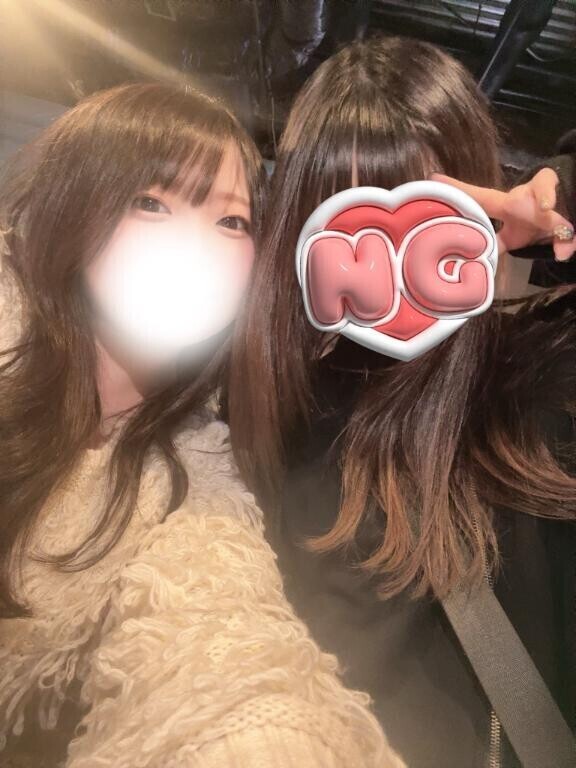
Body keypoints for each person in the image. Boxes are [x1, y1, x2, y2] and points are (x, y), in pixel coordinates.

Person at [0, 82, 403, 768]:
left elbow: (221, 651)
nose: (194, 243)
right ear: (74, 202)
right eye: (151, 202)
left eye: (232, 221)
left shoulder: (198, 474)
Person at [228, 36, 576, 768]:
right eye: (350, 216)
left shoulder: (534, 388)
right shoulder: (247, 404)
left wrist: (563, 197)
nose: (388, 260)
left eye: (427, 212)